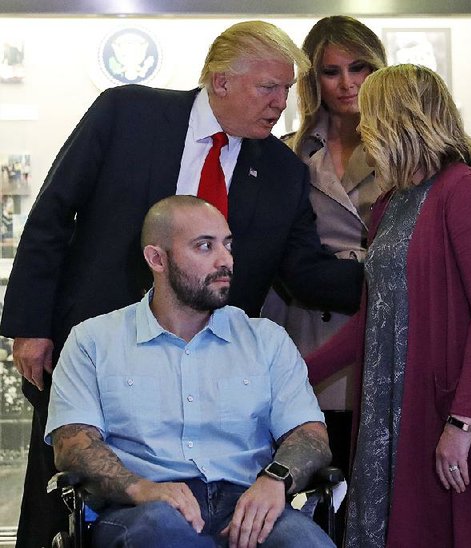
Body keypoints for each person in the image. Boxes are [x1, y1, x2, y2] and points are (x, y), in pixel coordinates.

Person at [0, 20, 362, 548]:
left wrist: (416, 281)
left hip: (208, 374)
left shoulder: (283, 172)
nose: (281, 103)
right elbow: (54, 214)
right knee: (63, 495)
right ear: (220, 81)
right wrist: (30, 326)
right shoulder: (126, 114)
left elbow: (305, 270)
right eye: (268, 87)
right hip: (93, 354)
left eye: (286, 89)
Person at [306, 65, 471, 547]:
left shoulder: (468, 192)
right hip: (398, 407)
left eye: (371, 115)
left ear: (398, 119)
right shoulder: (390, 203)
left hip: (464, 410)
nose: (363, 128)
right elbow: (373, 319)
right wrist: (293, 373)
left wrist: (461, 423)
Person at [46, 196, 334, 547]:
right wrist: (140, 488)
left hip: (246, 501)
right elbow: (72, 445)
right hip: (142, 510)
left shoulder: (266, 340)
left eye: (227, 245)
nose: (224, 260)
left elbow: (311, 434)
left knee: (306, 543)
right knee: (162, 532)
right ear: (157, 259)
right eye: (204, 246)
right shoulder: (94, 341)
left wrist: (275, 479)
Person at [262, 16, 386, 411]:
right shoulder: (284, 153)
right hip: (308, 321)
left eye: (358, 68)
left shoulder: (407, 153)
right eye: (332, 72)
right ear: (314, 80)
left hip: (383, 317)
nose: (347, 83)